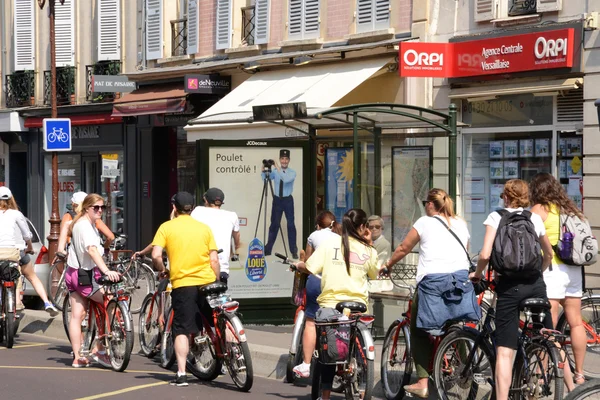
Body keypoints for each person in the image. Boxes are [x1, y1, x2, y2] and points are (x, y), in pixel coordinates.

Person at [383, 188, 470, 398]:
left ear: (431, 205)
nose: (425, 207)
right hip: (460, 283)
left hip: (432, 284)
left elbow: (404, 247)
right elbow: (464, 251)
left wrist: (388, 264)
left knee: (419, 329)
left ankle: (422, 382)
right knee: (455, 325)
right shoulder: (461, 223)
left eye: (425, 203)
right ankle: (464, 370)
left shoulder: (424, 222)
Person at [470, 179, 553, 400]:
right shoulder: (534, 218)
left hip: (509, 288)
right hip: (536, 286)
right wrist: (538, 274)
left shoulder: (496, 217)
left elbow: (486, 255)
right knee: (545, 336)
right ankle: (545, 373)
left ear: (505, 196)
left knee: (505, 353)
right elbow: (549, 255)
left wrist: (477, 274)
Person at [291, 208, 382, 400]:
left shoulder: (330, 243)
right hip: (358, 304)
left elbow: (309, 267)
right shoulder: (368, 249)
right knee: (350, 337)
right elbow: (374, 274)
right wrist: (369, 242)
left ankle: (324, 395)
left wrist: (298, 265)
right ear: (364, 227)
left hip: (331, 304)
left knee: (328, 351)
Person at [151, 192, 220, 387]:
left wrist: (163, 269)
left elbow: (156, 255)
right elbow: (214, 259)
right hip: (207, 282)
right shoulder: (204, 228)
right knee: (217, 319)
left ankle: (181, 373)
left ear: (174, 207)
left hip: (184, 284)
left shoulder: (166, 227)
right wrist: (214, 279)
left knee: (181, 329)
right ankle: (232, 353)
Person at [530, 172, 587, 388]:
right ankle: (580, 374)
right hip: (573, 270)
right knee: (576, 323)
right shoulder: (571, 209)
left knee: (548, 328)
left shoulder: (539, 210)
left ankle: (545, 372)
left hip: (552, 270)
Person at [65, 193, 120, 368]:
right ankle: (99, 349)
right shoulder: (86, 227)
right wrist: (106, 270)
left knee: (76, 315)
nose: (100, 211)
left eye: (102, 207)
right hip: (86, 276)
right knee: (109, 301)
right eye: (95, 207)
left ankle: (78, 357)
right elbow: (92, 250)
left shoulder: (80, 223)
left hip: (73, 273)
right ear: (87, 208)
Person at [292, 210, 341, 378]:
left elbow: (308, 262)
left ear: (318, 225)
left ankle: (306, 364)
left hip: (319, 280)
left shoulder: (314, 235)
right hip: (339, 282)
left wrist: (298, 264)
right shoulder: (343, 237)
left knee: (311, 321)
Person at [1, 186, 59, 315]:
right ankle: (46, 303)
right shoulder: (16, 214)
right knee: (32, 277)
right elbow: (27, 235)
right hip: (15, 252)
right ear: (11, 199)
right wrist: (30, 247)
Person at [191, 187, 241, 285]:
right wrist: (235, 250)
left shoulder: (197, 211)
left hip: (202, 268)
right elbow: (237, 237)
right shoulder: (232, 216)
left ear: (205, 200)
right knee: (220, 298)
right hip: (222, 268)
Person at [262, 149, 298, 259]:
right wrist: (264, 169)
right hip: (277, 200)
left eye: (286, 159)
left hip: (288, 200)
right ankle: (268, 249)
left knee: (291, 225)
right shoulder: (275, 172)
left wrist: (277, 167)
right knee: (274, 225)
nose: (284, 161)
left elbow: (286, 179)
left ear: (289, 160)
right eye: (282, 159)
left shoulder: (292, 172)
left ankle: (293, 250)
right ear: (280, 159)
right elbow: (266, 179)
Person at [57, 191, 115, 258]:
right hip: (94, 255)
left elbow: (65, 237)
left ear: (74, 204)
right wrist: (105, 247)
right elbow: (111, 237)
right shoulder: (94, 219)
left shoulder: (68, 217)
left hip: (75, 256)